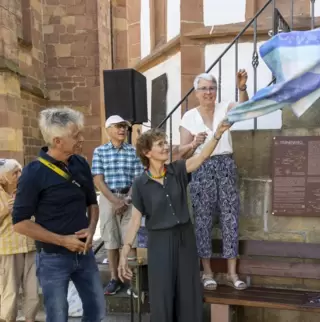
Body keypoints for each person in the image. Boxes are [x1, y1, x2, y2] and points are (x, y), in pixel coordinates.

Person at [118, 119, 232, 322]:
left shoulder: (177, 170)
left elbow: (203, 156)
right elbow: (135, 220)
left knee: (188, 290)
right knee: (162, 292)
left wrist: (218, 134)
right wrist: (125, 249)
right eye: (160, 144)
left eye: (165, 142)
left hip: (185, 238)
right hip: (159, 241)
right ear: (147, 153)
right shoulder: (140, 183)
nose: (166, 147)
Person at [12, 107, 105, 322]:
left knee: (97, 312)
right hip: (52, 258)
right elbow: (20, 224)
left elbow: (93, 202)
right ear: (57, 141)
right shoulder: (32, 173)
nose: (82, 139)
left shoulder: (80, 163)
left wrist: (91, 229)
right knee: (57, 316)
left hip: (84, 253)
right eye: (75, 135)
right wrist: (63, 241)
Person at [178, 69, 249, 291]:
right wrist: (193, 144)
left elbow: (245, 110)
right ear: (196, 92)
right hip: (201, 168)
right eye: (204, 89)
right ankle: (207, 272)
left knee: (230, 219)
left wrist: (242, 88)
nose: (209, 92)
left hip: (225, 165)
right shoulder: (189, 117)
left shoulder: (225, 107)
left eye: (212, 88)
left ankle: (231, 273)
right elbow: (183, 155)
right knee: (202, 221)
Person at [92, 115, 144, 295]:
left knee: (132, 241)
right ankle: (114, 278)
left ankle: (134, 281)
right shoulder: (99, 151)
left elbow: (138, 178)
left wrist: (127, 200)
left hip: (129, 198)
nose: (122, 130)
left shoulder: (133, 151)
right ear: (108, 130)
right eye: (118, 126)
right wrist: (115, 201)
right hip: (108, 198)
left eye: (124, 127)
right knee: (111, 241)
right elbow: (98, 179)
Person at [0, 159, 39, 322]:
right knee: (10, 290)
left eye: (19, 171)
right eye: (14, 173)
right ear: (2, 178)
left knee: (33, 290)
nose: (19, 175)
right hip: (8, 248)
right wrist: (5, 210)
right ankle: (8, 319)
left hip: (30, 245)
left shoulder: (26, 190)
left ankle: (30, 318)